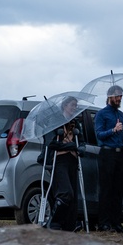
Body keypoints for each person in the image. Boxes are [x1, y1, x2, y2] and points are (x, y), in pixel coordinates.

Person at [93, 85, 123, 232]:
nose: (119, 98)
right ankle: (104, 222)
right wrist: (113, 130)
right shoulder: (101, 114)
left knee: (118, 190)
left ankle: (116, 222)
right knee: (106, 189)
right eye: (117, 96)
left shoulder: (121, 114)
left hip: (120, 155)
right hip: (107, 153)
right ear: (110, 96)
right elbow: (99, 134)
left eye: (121, 96)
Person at [45, 96, 82, 232]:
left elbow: (80, 140)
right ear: (65, 106)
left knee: (73, 197)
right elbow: (51, 143)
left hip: (72, 160)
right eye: (72, 105)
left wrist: (81, 147)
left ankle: (69, 226)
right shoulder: (55, 122)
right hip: (59, 160)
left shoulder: (74, 123)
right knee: (66, 193)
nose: (74, 108)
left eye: (76, 105)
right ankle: (54, 222)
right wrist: (69, 146)